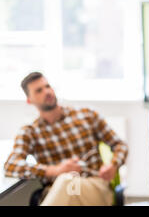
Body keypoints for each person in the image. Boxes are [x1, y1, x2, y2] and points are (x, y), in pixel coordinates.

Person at [3, 72, 128, 205]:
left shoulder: (87, 115)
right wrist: (56, 170)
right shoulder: (31, 131)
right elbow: (11, 166)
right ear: (29, 100)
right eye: (39, 90)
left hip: (94, 186)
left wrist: (113, 165)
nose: (47, 92)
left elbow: (120, 145)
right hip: (57, 191)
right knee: (65, 182)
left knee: (66, 180)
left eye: (47, 86)